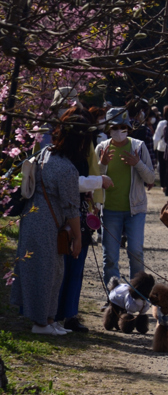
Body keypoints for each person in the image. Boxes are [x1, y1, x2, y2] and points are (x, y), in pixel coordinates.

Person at [11, 111, 85, 335]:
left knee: (50, 270)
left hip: (33, 218)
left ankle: (49, 320)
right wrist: (78, 238)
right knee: (46, 272)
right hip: (48, 223)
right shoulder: (67, 169)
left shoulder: (45, 154)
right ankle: (41, 323)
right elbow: (72, 208)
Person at [56, 106, 113, 333]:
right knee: (63, 267)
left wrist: (92, 198)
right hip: (63, 216)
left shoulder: (81, 152)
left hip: (81, 212)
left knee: (76, 268)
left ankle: (70, 314)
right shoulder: (58, 155)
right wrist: (97, 182)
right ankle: (56, 314)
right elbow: (72, 182)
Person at [96, 108, 156, 285]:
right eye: (115, 127)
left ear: (128, 128)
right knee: (110, 258)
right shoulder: (102, 148)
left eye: (123, 127)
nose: (119, 131)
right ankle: (113, 298)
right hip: (109, 211)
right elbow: (94, 179)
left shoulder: (138, 146)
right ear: (108, 129)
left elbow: (151, 178)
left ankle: (137, 296)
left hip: (135, 210)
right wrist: (102, 164)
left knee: (136, 252)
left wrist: (137, 164)